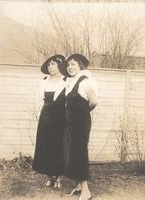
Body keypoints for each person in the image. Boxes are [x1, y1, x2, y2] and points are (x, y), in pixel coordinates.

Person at [63, 54, 98, 200]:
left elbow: (93, 101)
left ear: (81, 66)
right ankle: (78, 187)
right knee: (72, 152)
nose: (70, 67)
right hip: (71, 123)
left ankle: (86, 191)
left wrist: (82, 113)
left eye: (73, 64)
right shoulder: (71, 81)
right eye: (68, 65)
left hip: (81, 123)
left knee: (80, 153)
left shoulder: (86, 81)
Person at [32, 54, 66, 188]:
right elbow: (39, 99)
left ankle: (58, 177)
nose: (51, 67)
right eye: (49, 65)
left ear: (59, 66)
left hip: (60, 117)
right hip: (46, 116)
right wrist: (42, 113)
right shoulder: (44, 81)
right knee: (45, 145)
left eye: (53, 64)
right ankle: (49, 176)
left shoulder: (66, 80)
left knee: (57, 145)